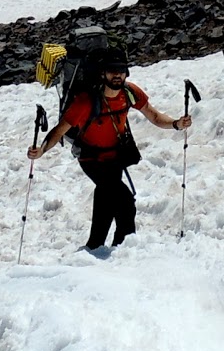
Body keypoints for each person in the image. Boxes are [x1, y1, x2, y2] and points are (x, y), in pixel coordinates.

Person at [27, 48, 192, 252]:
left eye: (121, 70)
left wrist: (176, 124)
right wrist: (41, 150)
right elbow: (59, 130)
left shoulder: (130, 93)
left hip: (115, 158)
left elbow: (155, 117)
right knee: (124, 202)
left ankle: (96, 247)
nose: (117, 75)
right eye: (112, 70)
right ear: (103, 73)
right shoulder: (86, 102)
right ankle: (123, 249)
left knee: (107, 200)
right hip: (91, 159)